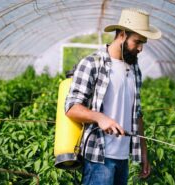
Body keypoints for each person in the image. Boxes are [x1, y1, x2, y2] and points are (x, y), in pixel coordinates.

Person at [65, 8, 161, 185]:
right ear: (122, 35)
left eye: (143, 43)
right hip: (99, 157)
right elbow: (71, 108)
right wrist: (99, 117)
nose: (140, 48)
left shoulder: (134, 70)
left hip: (123, 157)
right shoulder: (92, 64)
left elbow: (137, 114)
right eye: (137, 42)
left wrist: (143, 154)